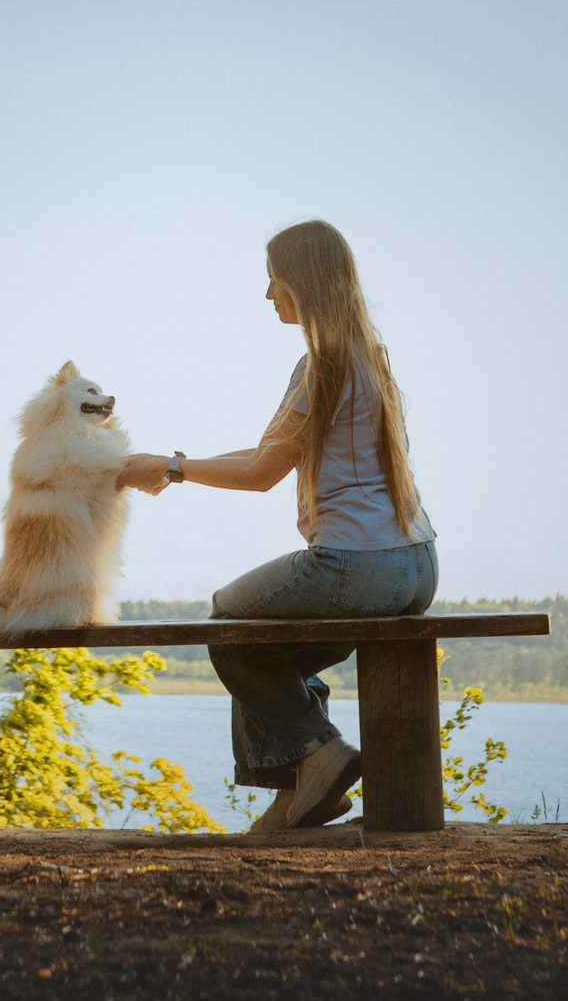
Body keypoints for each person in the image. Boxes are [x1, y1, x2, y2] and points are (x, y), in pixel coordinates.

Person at [118, 219, 438, 835]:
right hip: (415, 566)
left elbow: (263, 473)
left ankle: (319, 753)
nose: (268, 295)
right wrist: (173, 465)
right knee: (270, 659)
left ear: (301, 282)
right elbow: (267, 452)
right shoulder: (368, 359)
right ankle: (298, 798)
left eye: (273, 281)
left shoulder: (323, 364)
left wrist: (173, 467)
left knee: (229, 622)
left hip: (355, 566)